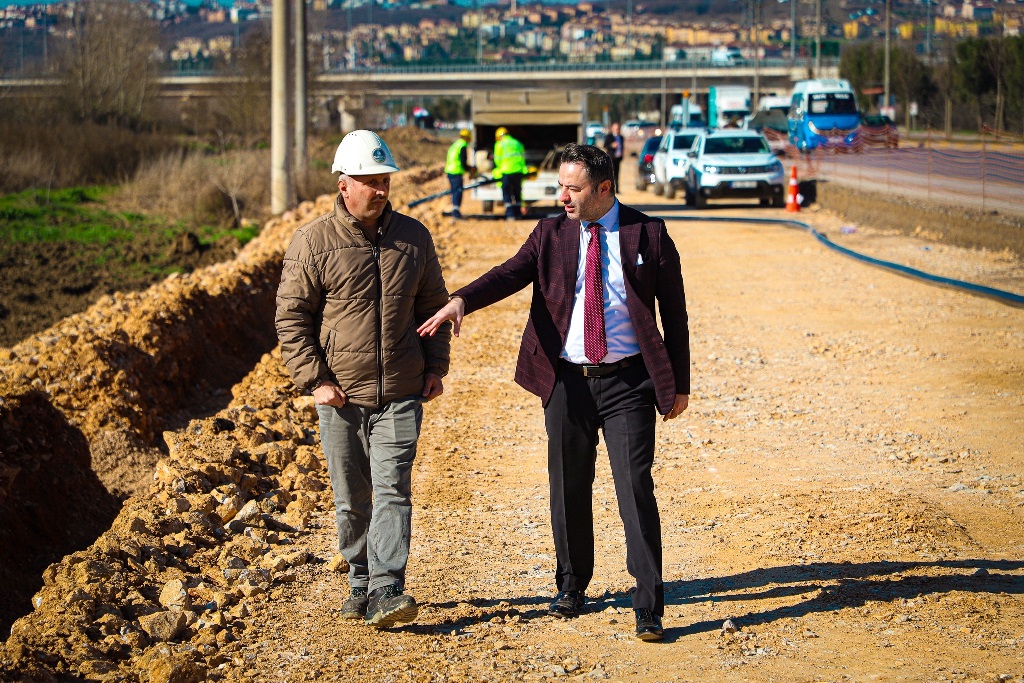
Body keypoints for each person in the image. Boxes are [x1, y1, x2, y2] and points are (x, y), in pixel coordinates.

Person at [418, 143, 689, 642]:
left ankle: (648, 604)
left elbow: (674, 311)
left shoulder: (646, 232)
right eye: (560, 185)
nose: (562, 195)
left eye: (574, 188)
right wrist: (462, 301)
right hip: (566, 382)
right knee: (567, 487)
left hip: (629, 381)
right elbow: (509, 274)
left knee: (635, 490)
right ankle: (572, 585)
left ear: (604, 188)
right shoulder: (550, 233)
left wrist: (680, 385)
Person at [276, 130, 452, 629]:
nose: (380, 190)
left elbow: (433, 307)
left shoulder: (413, 238)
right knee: (352, 499)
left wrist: (435, 366)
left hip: (400, 389)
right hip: (340, 396)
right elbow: (291, 318)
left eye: (384, 180)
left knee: (392, 489)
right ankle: (359, 578)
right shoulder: (313, 242)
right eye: (370, 181)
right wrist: (315, 381)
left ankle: (387, 586)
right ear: (343, 184)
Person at [492, 126, 527, 220]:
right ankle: (518, 213)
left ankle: (510, 214)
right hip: (518, 171)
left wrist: (500, 169)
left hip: (506, 171)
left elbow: (497, 160)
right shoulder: (518, 143)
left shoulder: (499, 144)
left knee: (507, 192)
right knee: (517, 192)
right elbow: (523, 158)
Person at [446, 128, 475, 219]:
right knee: (458, 192)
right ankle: (456, 213)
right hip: (456, 171)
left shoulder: (455, 145)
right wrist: (469, 169)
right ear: (467, 137)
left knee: (454, 191)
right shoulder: (462, 145)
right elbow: (463, 161)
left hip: (450, 171)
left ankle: (455, 211)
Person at [603, 122, 624, 189]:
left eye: (618, 128)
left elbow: (622, 147)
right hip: (611, 158)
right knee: (611, 174)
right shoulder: (609, 136)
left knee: (617, 174)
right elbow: (605, 145)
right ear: (612, 129)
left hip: (618, 158)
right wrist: (612, 145)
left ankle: (617, 188)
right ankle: (611, 189)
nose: (617, 130)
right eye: (616, 128)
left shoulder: (621, 137)